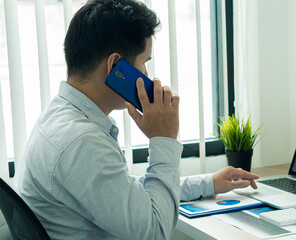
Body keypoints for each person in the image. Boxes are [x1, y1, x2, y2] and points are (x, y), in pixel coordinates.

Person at [13, 0, 259, 239]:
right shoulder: (81, 142)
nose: (147, 76)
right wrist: (163, 139)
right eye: (144, 63)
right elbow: (155, 230)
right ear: (116, 66)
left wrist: (207, 183)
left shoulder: (58, 118)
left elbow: (122, 194)